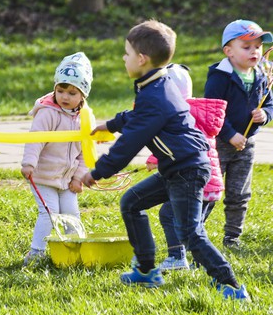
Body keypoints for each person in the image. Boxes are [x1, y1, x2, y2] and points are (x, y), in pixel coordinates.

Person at [81, 20, 249, 300]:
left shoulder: (156, 93)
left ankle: (230, 285)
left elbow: (129, 144)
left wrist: (97, 172)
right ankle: (147, 271)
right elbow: (137, 117)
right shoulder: (155, 84)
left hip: (188, 169)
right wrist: (110, 125)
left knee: (190, 233)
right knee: (131, 202)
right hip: (178, 167)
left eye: (127, 53)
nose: (124, 58)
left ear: (141, 59)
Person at [145, 64, 226, 271]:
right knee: (194, 227)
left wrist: (154, 159)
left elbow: (178, 143)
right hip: (212, 184)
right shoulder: (200, 113)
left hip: (194, 181)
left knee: (169, 215)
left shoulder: (178, 114)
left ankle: (176, 256)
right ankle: (202, 261)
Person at [204, 19, 273, 250]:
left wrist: (265, 114)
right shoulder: (219, 76)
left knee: (239, 194)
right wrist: (230, 133)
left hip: (247, 145)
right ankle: (196, 234)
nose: (254, 51)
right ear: (228, 51)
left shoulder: (262, 75)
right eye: (246, 46)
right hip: (219, 144)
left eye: (257, 46)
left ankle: (232, 238)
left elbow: (270, 104)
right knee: (210, 190)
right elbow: (211, 111)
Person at [20, 52, 91, 265]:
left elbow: (85, 152)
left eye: (72, 92)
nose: (65, 97)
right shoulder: (48, 113)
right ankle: (36, 253)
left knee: (71, 214)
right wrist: (28, 163)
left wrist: (79, 178)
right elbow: (36, 140)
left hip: (67, 179)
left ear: (83, 95)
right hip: (43, 176)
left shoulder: (84, 118)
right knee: (50, 213)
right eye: (60, 90)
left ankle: (74, 252)